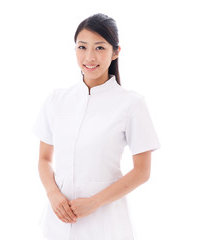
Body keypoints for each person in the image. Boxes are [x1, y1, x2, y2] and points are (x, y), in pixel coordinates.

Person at [32, 13, 161, 240]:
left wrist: (94, 203)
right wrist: (53, 194)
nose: (89, 57)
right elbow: (44, 159)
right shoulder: (57, 100)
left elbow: (142, 172)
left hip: (105, 224)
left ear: (115, 52)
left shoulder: (131, 104)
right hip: (57, 224)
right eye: (82, 47)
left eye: (100, 48)